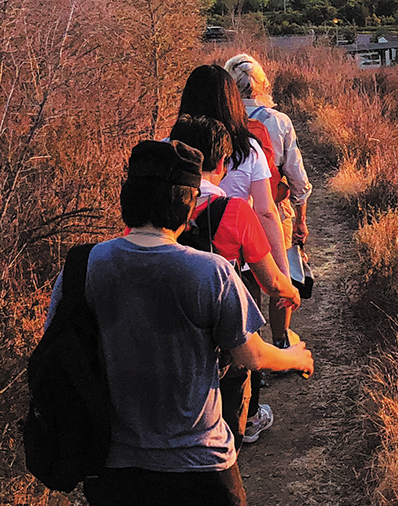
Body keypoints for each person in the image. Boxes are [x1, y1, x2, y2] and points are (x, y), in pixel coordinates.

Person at [47, 140, 312, 506]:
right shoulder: (209, 272)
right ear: (187, 206)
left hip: (114, 467)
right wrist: (297, 357)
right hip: (200, 464)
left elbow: (57, 346)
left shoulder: (83, 267)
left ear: (128, 198)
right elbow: (250, 355)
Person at [168, 114, 302, 446]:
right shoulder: (236, 211)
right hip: (222, 340)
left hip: (167, 337)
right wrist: (290, 291)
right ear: (224, 163)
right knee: (227, 427)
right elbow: (270, 280)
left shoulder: (156, 212)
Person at [224, 54, 312, 251]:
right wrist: (300, 220)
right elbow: (296, 176)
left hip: (227, 215)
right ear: (263, 84)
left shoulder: (219, 122)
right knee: (277, 276)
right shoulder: (279, 121)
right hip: (273, 210)